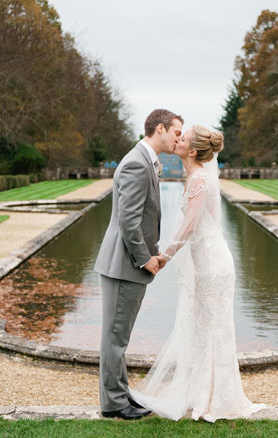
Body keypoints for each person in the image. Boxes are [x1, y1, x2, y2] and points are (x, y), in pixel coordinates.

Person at [129, 125, 266, 422]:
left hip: (213, 266)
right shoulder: (196, 176)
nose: (177, 139)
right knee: (206, 329)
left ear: (191, 151)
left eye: (183, 138)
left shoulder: (200, 179)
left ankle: (214, 399)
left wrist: (164, 256)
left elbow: (190, 227)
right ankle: (206, 394)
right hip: (209, 261)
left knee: (214, 329)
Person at [94, 108, 183, 420]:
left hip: (126, 263)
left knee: (119, 336)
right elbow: (129, 222)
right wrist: (146, 259)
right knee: (114, 337)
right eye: (176, 133)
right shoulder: (135, 163)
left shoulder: (144, 161)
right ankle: (113, 405)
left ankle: (120, 395)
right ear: (159, 129)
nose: (179, 139)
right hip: (124, 263)